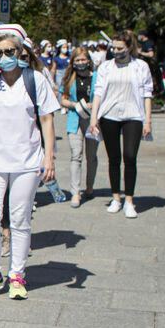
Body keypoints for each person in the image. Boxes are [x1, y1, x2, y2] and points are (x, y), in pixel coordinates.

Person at [0, 24, 59, 300]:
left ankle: (17, 274)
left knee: (20, 219)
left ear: (20, 52)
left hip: (27, 159)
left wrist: (49, 157)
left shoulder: (35, 79)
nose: (4, 56)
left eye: (9, 51)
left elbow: (46, 120)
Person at [88, 29, 153, 219]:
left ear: (130, 47)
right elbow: (98, 92)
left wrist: (147, 119)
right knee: (113, 157)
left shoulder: (140, 66)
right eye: (113, 48)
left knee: (130, 156)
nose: (116, 51)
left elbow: (147, 94)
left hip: (133, 114)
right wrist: (94, 117)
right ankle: (116, 197)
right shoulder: (106, 67)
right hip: (110, 114)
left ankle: (130, 200)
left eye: (120, 48)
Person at [60, 46, 99, 208]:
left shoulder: (96, 77)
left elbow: (101, 96)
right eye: (78, 60)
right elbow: (63, 99)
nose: (81, 63)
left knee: (91, 155)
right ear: (73, 62)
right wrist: (75, 105)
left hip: (92, 119)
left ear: (88, 61)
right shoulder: (69, 78)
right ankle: (75, 192)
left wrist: (92, 105)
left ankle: (89, 187)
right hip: (75, 118)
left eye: (83, 60)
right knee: (76, 155)